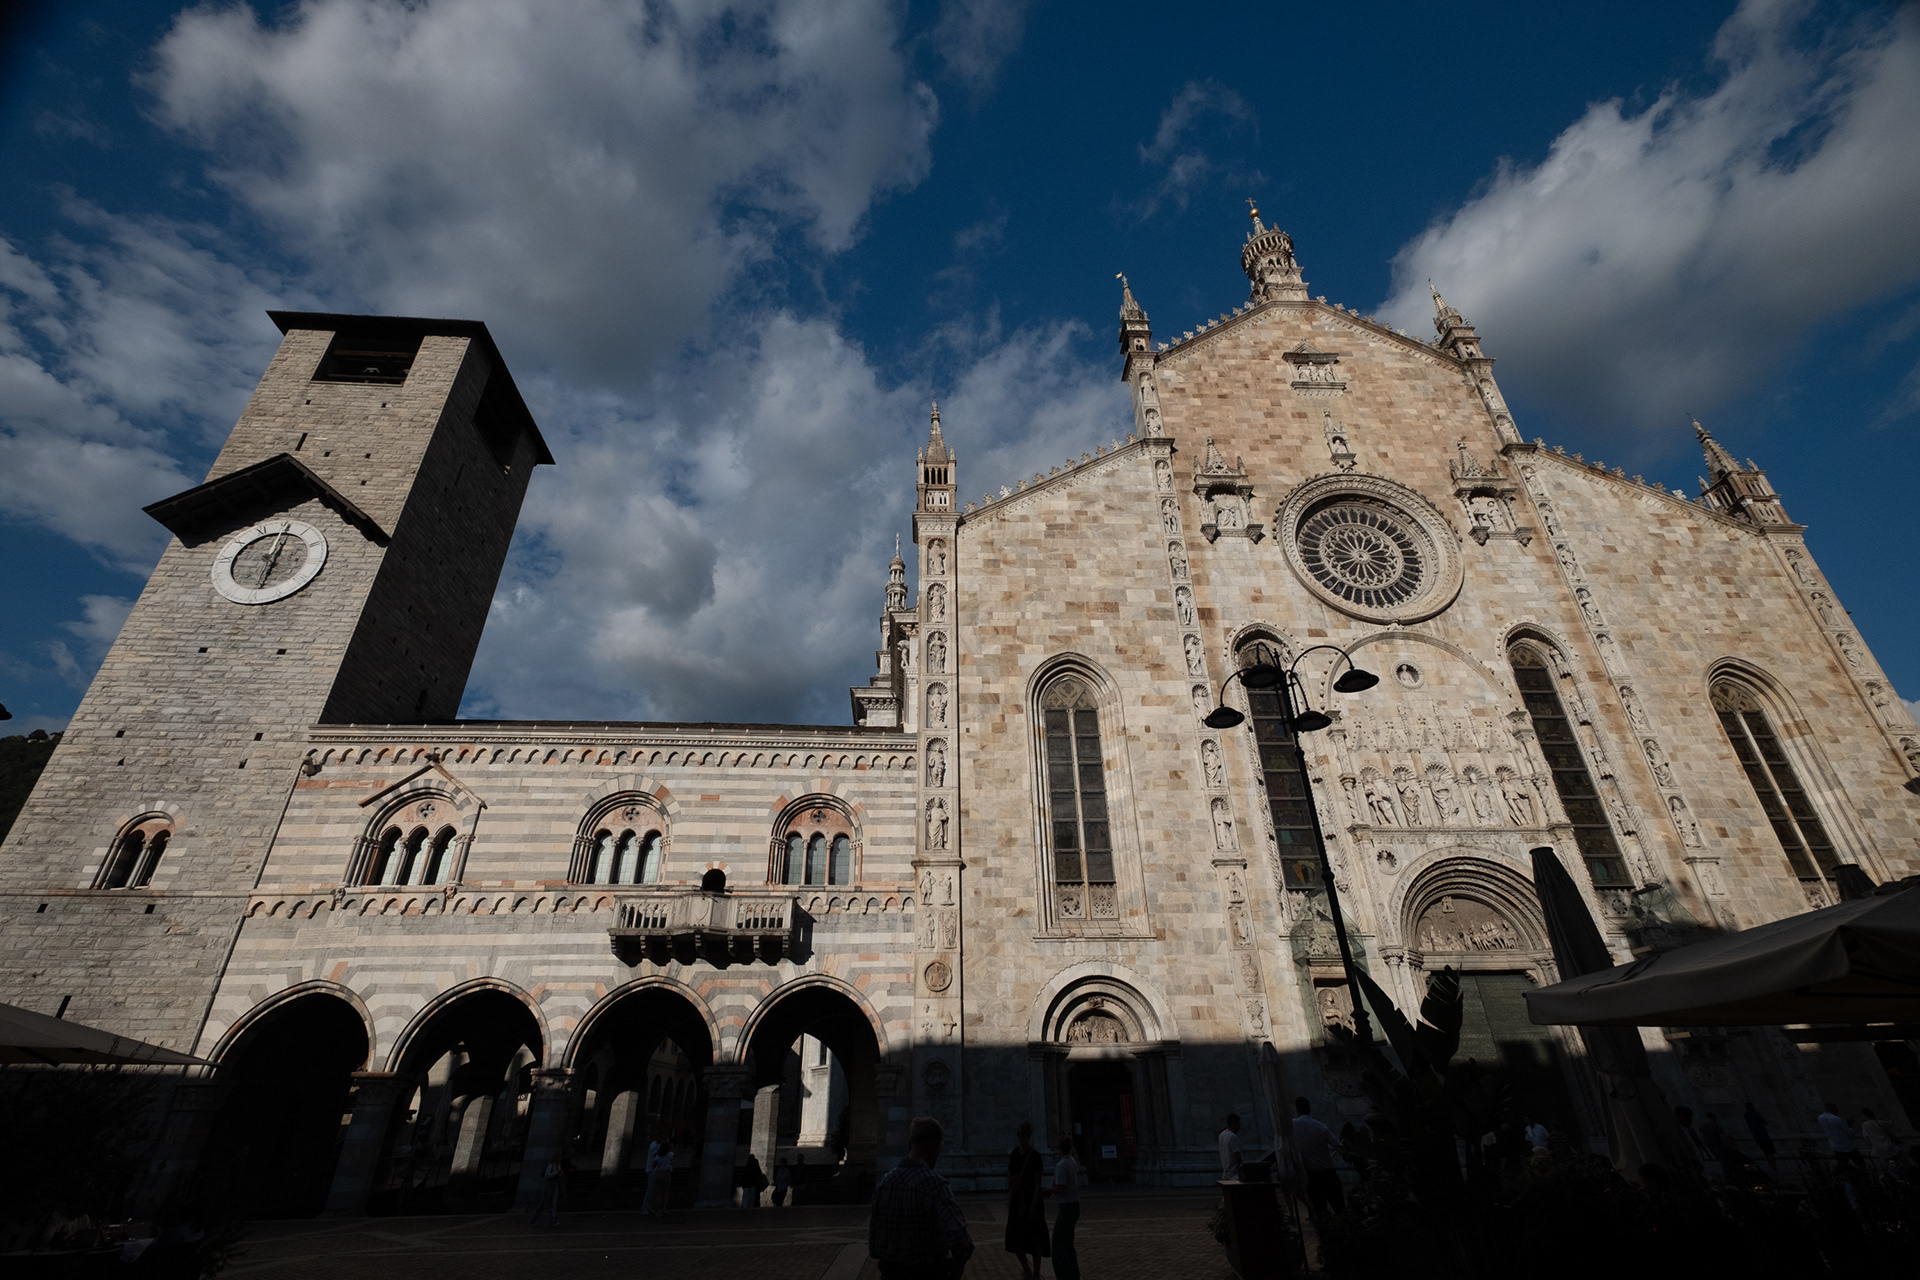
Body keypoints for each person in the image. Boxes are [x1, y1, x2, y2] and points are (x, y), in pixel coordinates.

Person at [868, 1116, 975, 1280]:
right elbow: (959, 1237)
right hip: (926, 1273)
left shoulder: (884, 1183)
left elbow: (874, 1246)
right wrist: (956, 1268)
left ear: (910, 1144)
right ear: (937, 1148)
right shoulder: (935, 1185)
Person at [1005, 1122, 1050, 1278]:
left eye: (1022, 1134)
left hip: (1033, 1201)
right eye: (1018, 1134)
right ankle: (1026, 1269)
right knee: (1015, 1237)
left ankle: (1036, 1272)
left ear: (1029, 1136)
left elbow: (1038, 1182)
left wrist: (1033, 1206)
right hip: (1017, 1200)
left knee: (1035, 1238)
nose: (1020, 1138)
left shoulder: (1035, 1156)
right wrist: (1011, 1194)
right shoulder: (1014, 1154)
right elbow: (1010, 1175)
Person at [1290, 1097, 1344, 1222]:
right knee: (1339, 1207)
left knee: (1321, 1210)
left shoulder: (1293, 1125)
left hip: (1311, 1175)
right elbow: (1338, 1146)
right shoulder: (1320, 1126)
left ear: (1297, 1109)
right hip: (1328, 1172)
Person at [1042, 1135, 1082, 1280]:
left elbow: (1060, 1188)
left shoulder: (1061, 1165)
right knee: (1068, 1244)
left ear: (1059, 1148)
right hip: (1075, 1205)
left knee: (1058, 1245)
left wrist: (1048, 1191)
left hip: (1067, 1207)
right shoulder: (1072, 1161)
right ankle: (1074, 1275)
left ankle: (1064, 1276)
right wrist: (1052, 1189)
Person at [1818, 1102, 1864, 1169]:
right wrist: (1850, 1125)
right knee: (1860, 1164)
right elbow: (1849, 1132)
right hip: (1848, 1146)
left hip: (1835, 1146)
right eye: (1836, 1109)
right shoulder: (1836, 1119)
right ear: (1832, 1109)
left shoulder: (1820, 1118)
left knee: (1843, 1166)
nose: (1838, 1111)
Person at [530, 1146, 568, 1227]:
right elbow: (547, 1175)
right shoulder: (551, 1165)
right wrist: (555, 1173)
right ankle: (533, 1219)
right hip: (549, 1184)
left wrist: (560, 1174)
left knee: (553, 1203)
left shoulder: (558, 1165)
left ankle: (552, 1219)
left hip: (555, 1183)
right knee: (544, 1202)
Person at [1743, 1101, 1778, 1171]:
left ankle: (1772, 1166)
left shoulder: (1746, 1115)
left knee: (1767, 1153)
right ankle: (1774, 1166)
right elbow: (1764, 1122)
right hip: (1763, 1136)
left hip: (1757, 1137)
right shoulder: (1755, 1114)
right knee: (1770, 1153)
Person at [643, 1140, 673, 1216]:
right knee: (664, 1192)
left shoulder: (658, 1156)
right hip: (665, 1173)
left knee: (657, 1191)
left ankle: (655, 1209)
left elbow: (654, 1164)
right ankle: (662, 1208)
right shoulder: (668, 1154)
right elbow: (675, 1154)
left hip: (659, 1172)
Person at [1218, 1112, 1243, 1180]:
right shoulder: (1232, 1137)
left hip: (1225, 1173)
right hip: (1234, 1174)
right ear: (1234, 1123)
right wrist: (1241, 1171)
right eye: (1238, 1124)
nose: (1239, 1127)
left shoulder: (1222, 1135)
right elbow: (1237, 1155)